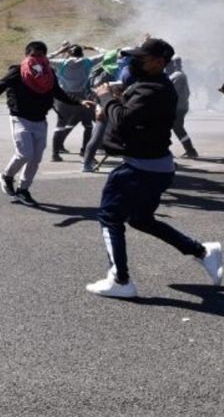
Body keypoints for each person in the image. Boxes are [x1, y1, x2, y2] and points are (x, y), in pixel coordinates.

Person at [84, 38, 222, 298]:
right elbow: (131, 112)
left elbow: (124, 119)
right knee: (140, 219)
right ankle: (203, 252)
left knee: (109, 216)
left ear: (159, 62)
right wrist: (110, 101)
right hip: (154, 167)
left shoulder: (154, 89)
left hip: (140, 169)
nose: (134, 62)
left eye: (141, 58)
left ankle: (120, 280)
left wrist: (105, 99)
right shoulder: (151, 84)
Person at [0, 41, 93, 206]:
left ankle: (23, 190)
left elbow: (59, 93)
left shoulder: (49, 74)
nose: (38, 58)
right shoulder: (18, 70)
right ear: (27, 55)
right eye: (34, 55)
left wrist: (80, 102)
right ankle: (7, 176)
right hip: (20, 118)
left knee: (35, 158)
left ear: (45, 56)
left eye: (41, 54)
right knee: (24, 154)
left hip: (40, 120)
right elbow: (2, 84)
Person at [48, 43, 104, 162]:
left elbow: (44, 58)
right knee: (88, 125)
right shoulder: (88, 61)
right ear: (81, 53)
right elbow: (106, 54)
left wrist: (59, 51)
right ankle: (85, 152)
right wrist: (93, 47)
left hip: (64, 97)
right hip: (82, 97)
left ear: (69, 53)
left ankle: (55, 154)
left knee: (60, 126)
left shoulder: (61, 62)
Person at [165, 55, 198, 158]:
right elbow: (187, 92)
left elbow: (172, 93)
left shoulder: (177, 76)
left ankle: (190, 150)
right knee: (177, 128)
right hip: (181, 107)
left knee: (171, 128)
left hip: (177, 108)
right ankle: (190, 150)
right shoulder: (179, 75)